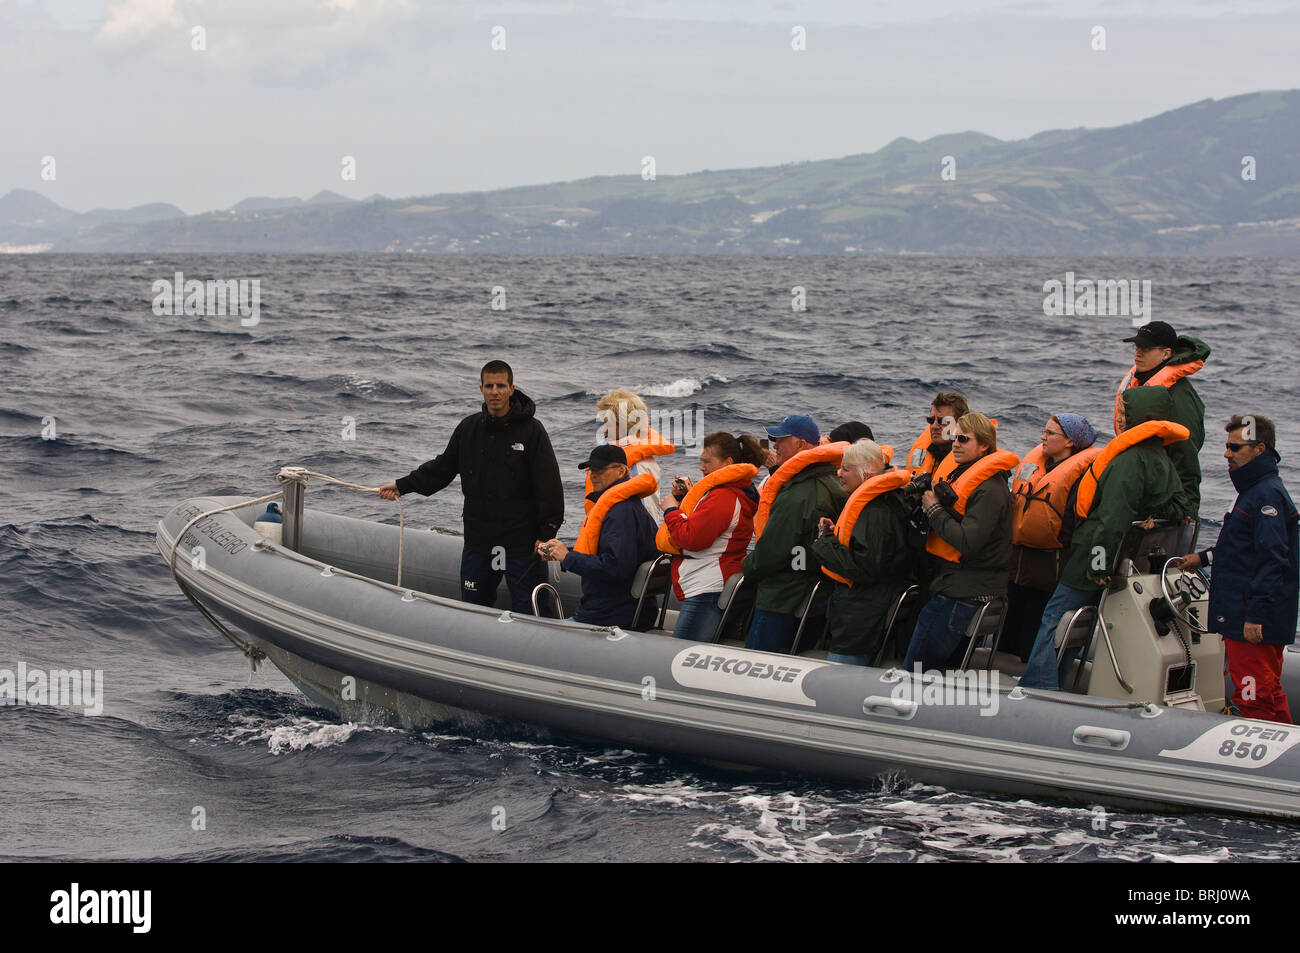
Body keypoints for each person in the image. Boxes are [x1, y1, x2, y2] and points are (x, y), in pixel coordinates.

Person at [1019, 387, 1189, 690]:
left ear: (1140, 417)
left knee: (1054, 618)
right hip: (1122, 557)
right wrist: (1150, 515)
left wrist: (1098, 566)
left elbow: (1111, 521)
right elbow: (1180, 505)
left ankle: (1039, 686)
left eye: (1125, 413)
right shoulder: (1159, 458)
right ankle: (1055, 679)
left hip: (1092, 557)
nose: (1119, 418)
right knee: (1076, 622)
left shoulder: (1130, 461)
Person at [379, 361, 563, 615]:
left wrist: (547, 533)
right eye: (489, 386)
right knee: (474, 610)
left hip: (522, 544)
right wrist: (402, 485)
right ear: (481, 389)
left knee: (532, 611)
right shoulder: (469, 428)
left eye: (501, 386)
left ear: (511, 388)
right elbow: (442, 468)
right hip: (479, 541)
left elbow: (550, 486)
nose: (495, 391)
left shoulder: (532, 431)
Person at [1179, 415, 1298, 723]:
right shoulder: (1255, 490)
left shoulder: (1265, 495)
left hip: (1252, 617)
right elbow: (1244, 548)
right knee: (1268, 692)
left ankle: (1262, 764)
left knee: (1253, 695)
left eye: (1234, 447)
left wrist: (1255, 616)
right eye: (1227, 446)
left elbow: (1273, 559)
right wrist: (1203, 559)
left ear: (1259, 449)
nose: (1226, 454)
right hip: (1246, 611)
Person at [902, 413, 1018, 672]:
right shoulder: (977, 479)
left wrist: (934, 510)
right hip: (960, 587)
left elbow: (968, 541)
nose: (955, 444)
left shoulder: (989, 489)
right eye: (954, 438)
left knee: (915, 672)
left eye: (964, 439)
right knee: (944, 672)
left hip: (964, 593)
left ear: (985, 445)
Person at [743, 414, 847, 652]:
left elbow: (772, 552)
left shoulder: (799, 494)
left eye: (781, 439)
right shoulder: (831, 482)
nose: (775, 446)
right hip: (812, 596)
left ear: (801, 444)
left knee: (757, 666)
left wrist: (747, 567)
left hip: (782, 599)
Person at [1003, 414, 1101, 662]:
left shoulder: (1081, 477)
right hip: (1018, 565)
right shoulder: (1039, 467)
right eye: (1043, 431)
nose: (1042, 438)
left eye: (1050, 433)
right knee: (1008, 634)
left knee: (1032, 636)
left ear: (1070, 441)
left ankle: (1030, 682)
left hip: (1048, 571)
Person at [812, 439, 913, 665]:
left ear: (866, 474)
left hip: (861, 618)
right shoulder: (889, 502)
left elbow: (865, 566)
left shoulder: (875, 511)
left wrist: (823, 542)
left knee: (839, 686)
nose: (838, 473)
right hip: (871, 612)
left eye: (846, 469)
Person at [539, 445, 661, 628]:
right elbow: (612, 553)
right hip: (624, 610)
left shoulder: (620, 513)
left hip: (611, 616)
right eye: (591, 470)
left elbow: (615, 567)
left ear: (621, 471)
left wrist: (568, 557)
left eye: (600, 470)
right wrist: (561, 553)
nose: (593, 475)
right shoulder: (627, 506)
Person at [657, 433, 763, 641]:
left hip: (707, 588)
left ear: (728, 463)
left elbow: (692, 539)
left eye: (707, 462)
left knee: (683, 654)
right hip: (715, 582)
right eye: (701, 461)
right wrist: (683, 501)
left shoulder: (724, 496)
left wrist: (671, 511)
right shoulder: (735, 491)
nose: (702, 468)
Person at [1115, 320, 1209, 519]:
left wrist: (1186, 509)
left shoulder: (1179, 396)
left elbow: (1186, 453)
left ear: (1166, 354)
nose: (1138, 353)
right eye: (1137, 346)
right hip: (1141, 480)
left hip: (1165, 492)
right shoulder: (1141, 381)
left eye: (1146, 349)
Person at [593, 388, 675, 522]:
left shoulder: (638, 466)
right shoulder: (618, 456)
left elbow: (645, 515)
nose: (605, 430)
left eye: (609, 423)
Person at [904, 391, 969, 475]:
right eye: (931, 420)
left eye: (943, 421)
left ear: (960, 423)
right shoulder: (928, 451)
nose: (934, 426)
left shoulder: (971, 459)